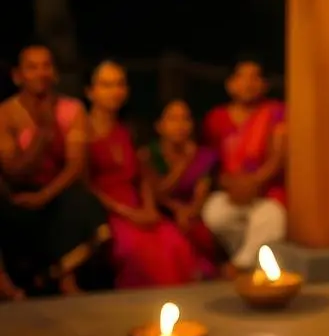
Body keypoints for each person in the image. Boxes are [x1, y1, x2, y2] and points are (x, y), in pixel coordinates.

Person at [0, 43, 109, 295]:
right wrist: (43, 136)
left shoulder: (72, 109)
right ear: (18, 76)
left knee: (84, 205)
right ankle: (8, 285)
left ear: (55, 73)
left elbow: (75, 165)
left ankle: (63, 277)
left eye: (46, 66)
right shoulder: (6, 113)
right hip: (19, 193)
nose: (41, 73)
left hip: (56, 190)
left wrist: (44, 196)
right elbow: (13, 171)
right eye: (32, 67)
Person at [86, 61, 200, 288]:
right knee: (137, 251)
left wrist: (148, 208)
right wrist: (128, 213)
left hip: (138, 205)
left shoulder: (129, 129)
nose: (115, 91)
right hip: (107, 209)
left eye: (119, 84)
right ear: (90, 91)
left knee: (175, 243)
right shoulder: (83, 131)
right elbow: (87, 185)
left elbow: (143, 177)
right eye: (106, 85)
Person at [200, 58, 287, 277]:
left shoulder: (275, 112)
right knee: (214, 213)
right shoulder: (216, 118)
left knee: (270, 219)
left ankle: (238, 266)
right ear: (230, 84)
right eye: (242, 76)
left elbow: (278, 157)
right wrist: (230, 185)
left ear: (264, 84)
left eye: (255, 77)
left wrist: (253, 182)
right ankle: (251, 257)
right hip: (232, 193)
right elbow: (212, 163)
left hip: (266, 192)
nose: (248, 83)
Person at [145, 99, 219, 279]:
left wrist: (190, 210)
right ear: (160, 126)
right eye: (173, 119)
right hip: (162, 212)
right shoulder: (148, 155)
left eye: (185, 119)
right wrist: (181, 165)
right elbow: (157, 193)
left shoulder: (204, 156)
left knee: (202, 233)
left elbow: (201, 193)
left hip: (192, 214)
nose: (180, 125)